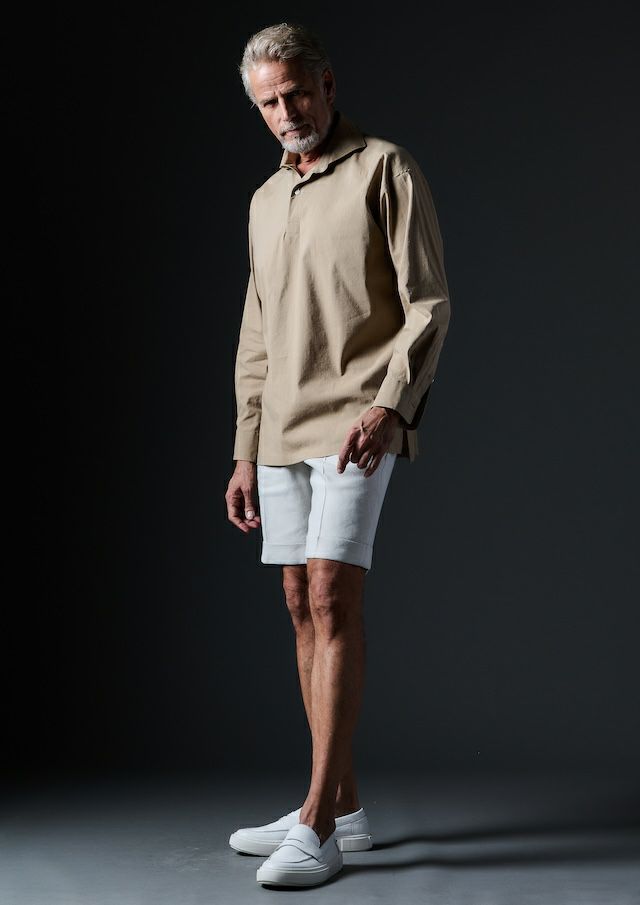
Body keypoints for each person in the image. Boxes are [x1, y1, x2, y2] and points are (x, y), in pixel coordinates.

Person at [224, 22, 451, 888]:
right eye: (267, 103)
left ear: (326, 84)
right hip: (279, 428)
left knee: (331, 593)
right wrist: (244, 447)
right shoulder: (264, 200)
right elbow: (256, 331)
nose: (285, 112)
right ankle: (343, 807)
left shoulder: (385, 168)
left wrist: (390, 404)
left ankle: (315, 822)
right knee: (297, 602)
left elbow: (428, 302)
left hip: (358, 421)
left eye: (294, 93)